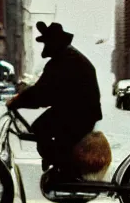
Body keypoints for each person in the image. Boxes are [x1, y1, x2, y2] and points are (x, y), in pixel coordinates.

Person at [6, 21, 103, 179]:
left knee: (41, 129)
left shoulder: (64, 61)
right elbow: (44, 91)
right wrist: (22, 98)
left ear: (54, 43)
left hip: (80, 113)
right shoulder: (64, 57)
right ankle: (60, 168)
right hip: (76, 110)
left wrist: (17, 101)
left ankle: (68, 174)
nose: (45, 47)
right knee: (43, 129)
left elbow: (42, 92)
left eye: (47, 42)